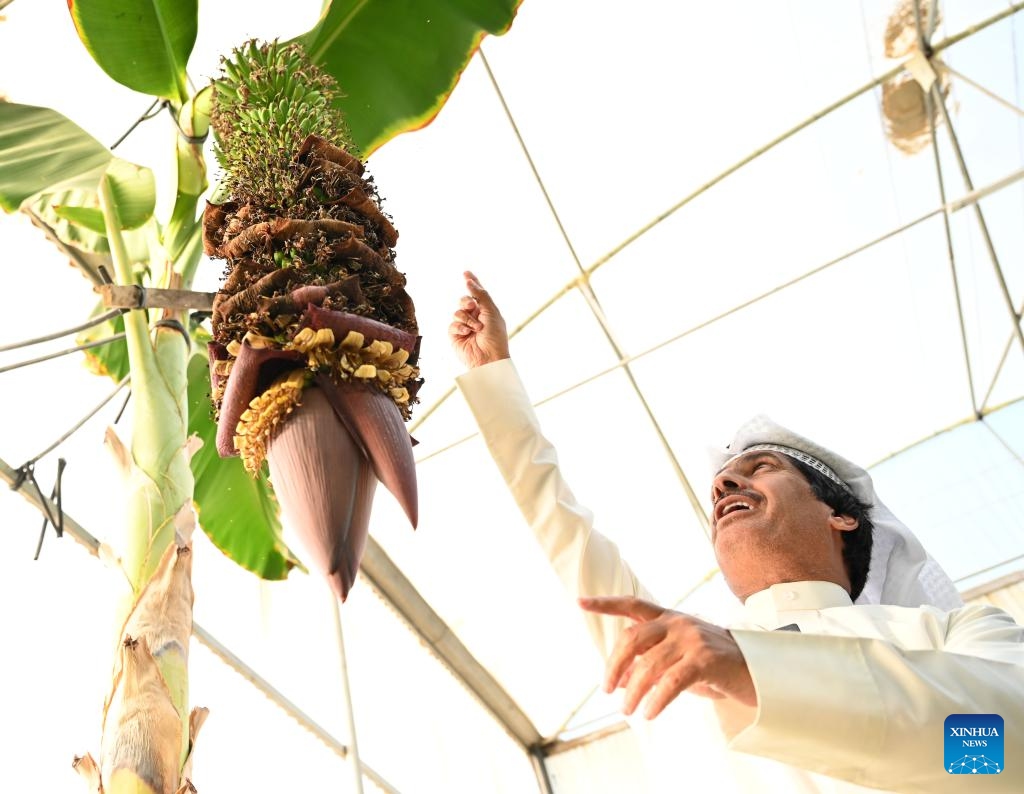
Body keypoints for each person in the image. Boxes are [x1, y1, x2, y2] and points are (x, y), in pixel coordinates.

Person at [449, 270, 1024, 793]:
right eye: (720, 485)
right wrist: (493, 378)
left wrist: (754, 672)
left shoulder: (950, 632)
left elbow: (1003, 748)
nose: (724, 487)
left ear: (841, 515)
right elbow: (558, 521)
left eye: (762, 469)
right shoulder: (667, 651)